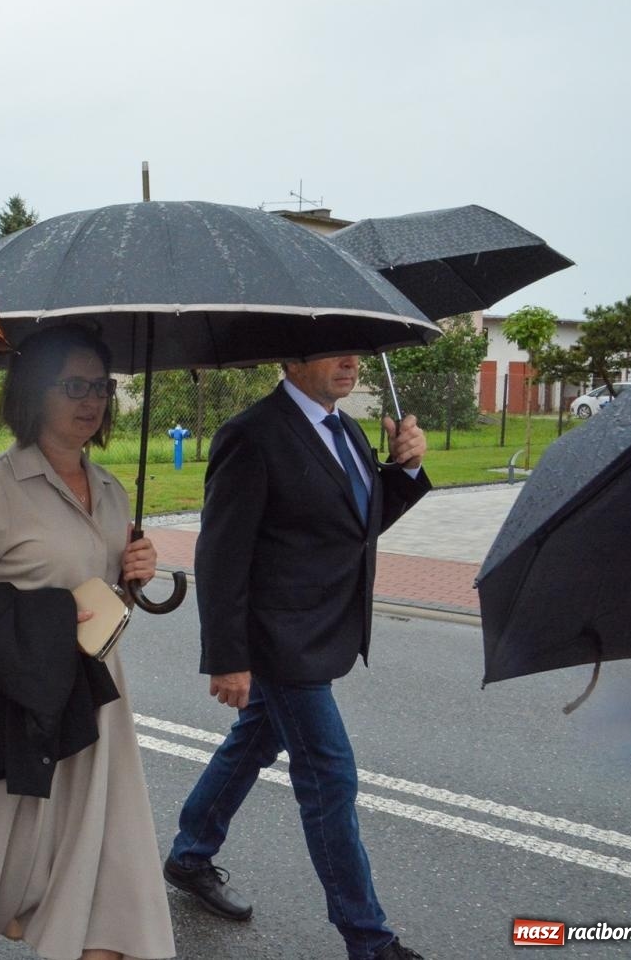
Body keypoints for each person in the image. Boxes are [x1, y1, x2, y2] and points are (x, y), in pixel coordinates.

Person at [0, 323, 175, 960]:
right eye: (74, 386)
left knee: (105, 853)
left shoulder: (112, 490)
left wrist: (134, 577)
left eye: (100, 387)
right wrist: (41, 623)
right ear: (33, 392)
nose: (91, 400)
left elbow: (104, 601)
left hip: (96, 693)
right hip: (16, 695)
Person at [163, 354, 430, 960]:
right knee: (330, 778)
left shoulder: (348, 429)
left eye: (354, 348)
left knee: (254, 741)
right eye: (333, 348)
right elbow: (221, 553)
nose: (350, 361)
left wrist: (406, 470)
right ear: (291, 358)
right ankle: (369, 939)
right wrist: (227, 656)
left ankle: (190, 854)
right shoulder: (252, 434)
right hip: (280, 640)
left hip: (321, 628)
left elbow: (356, 524)